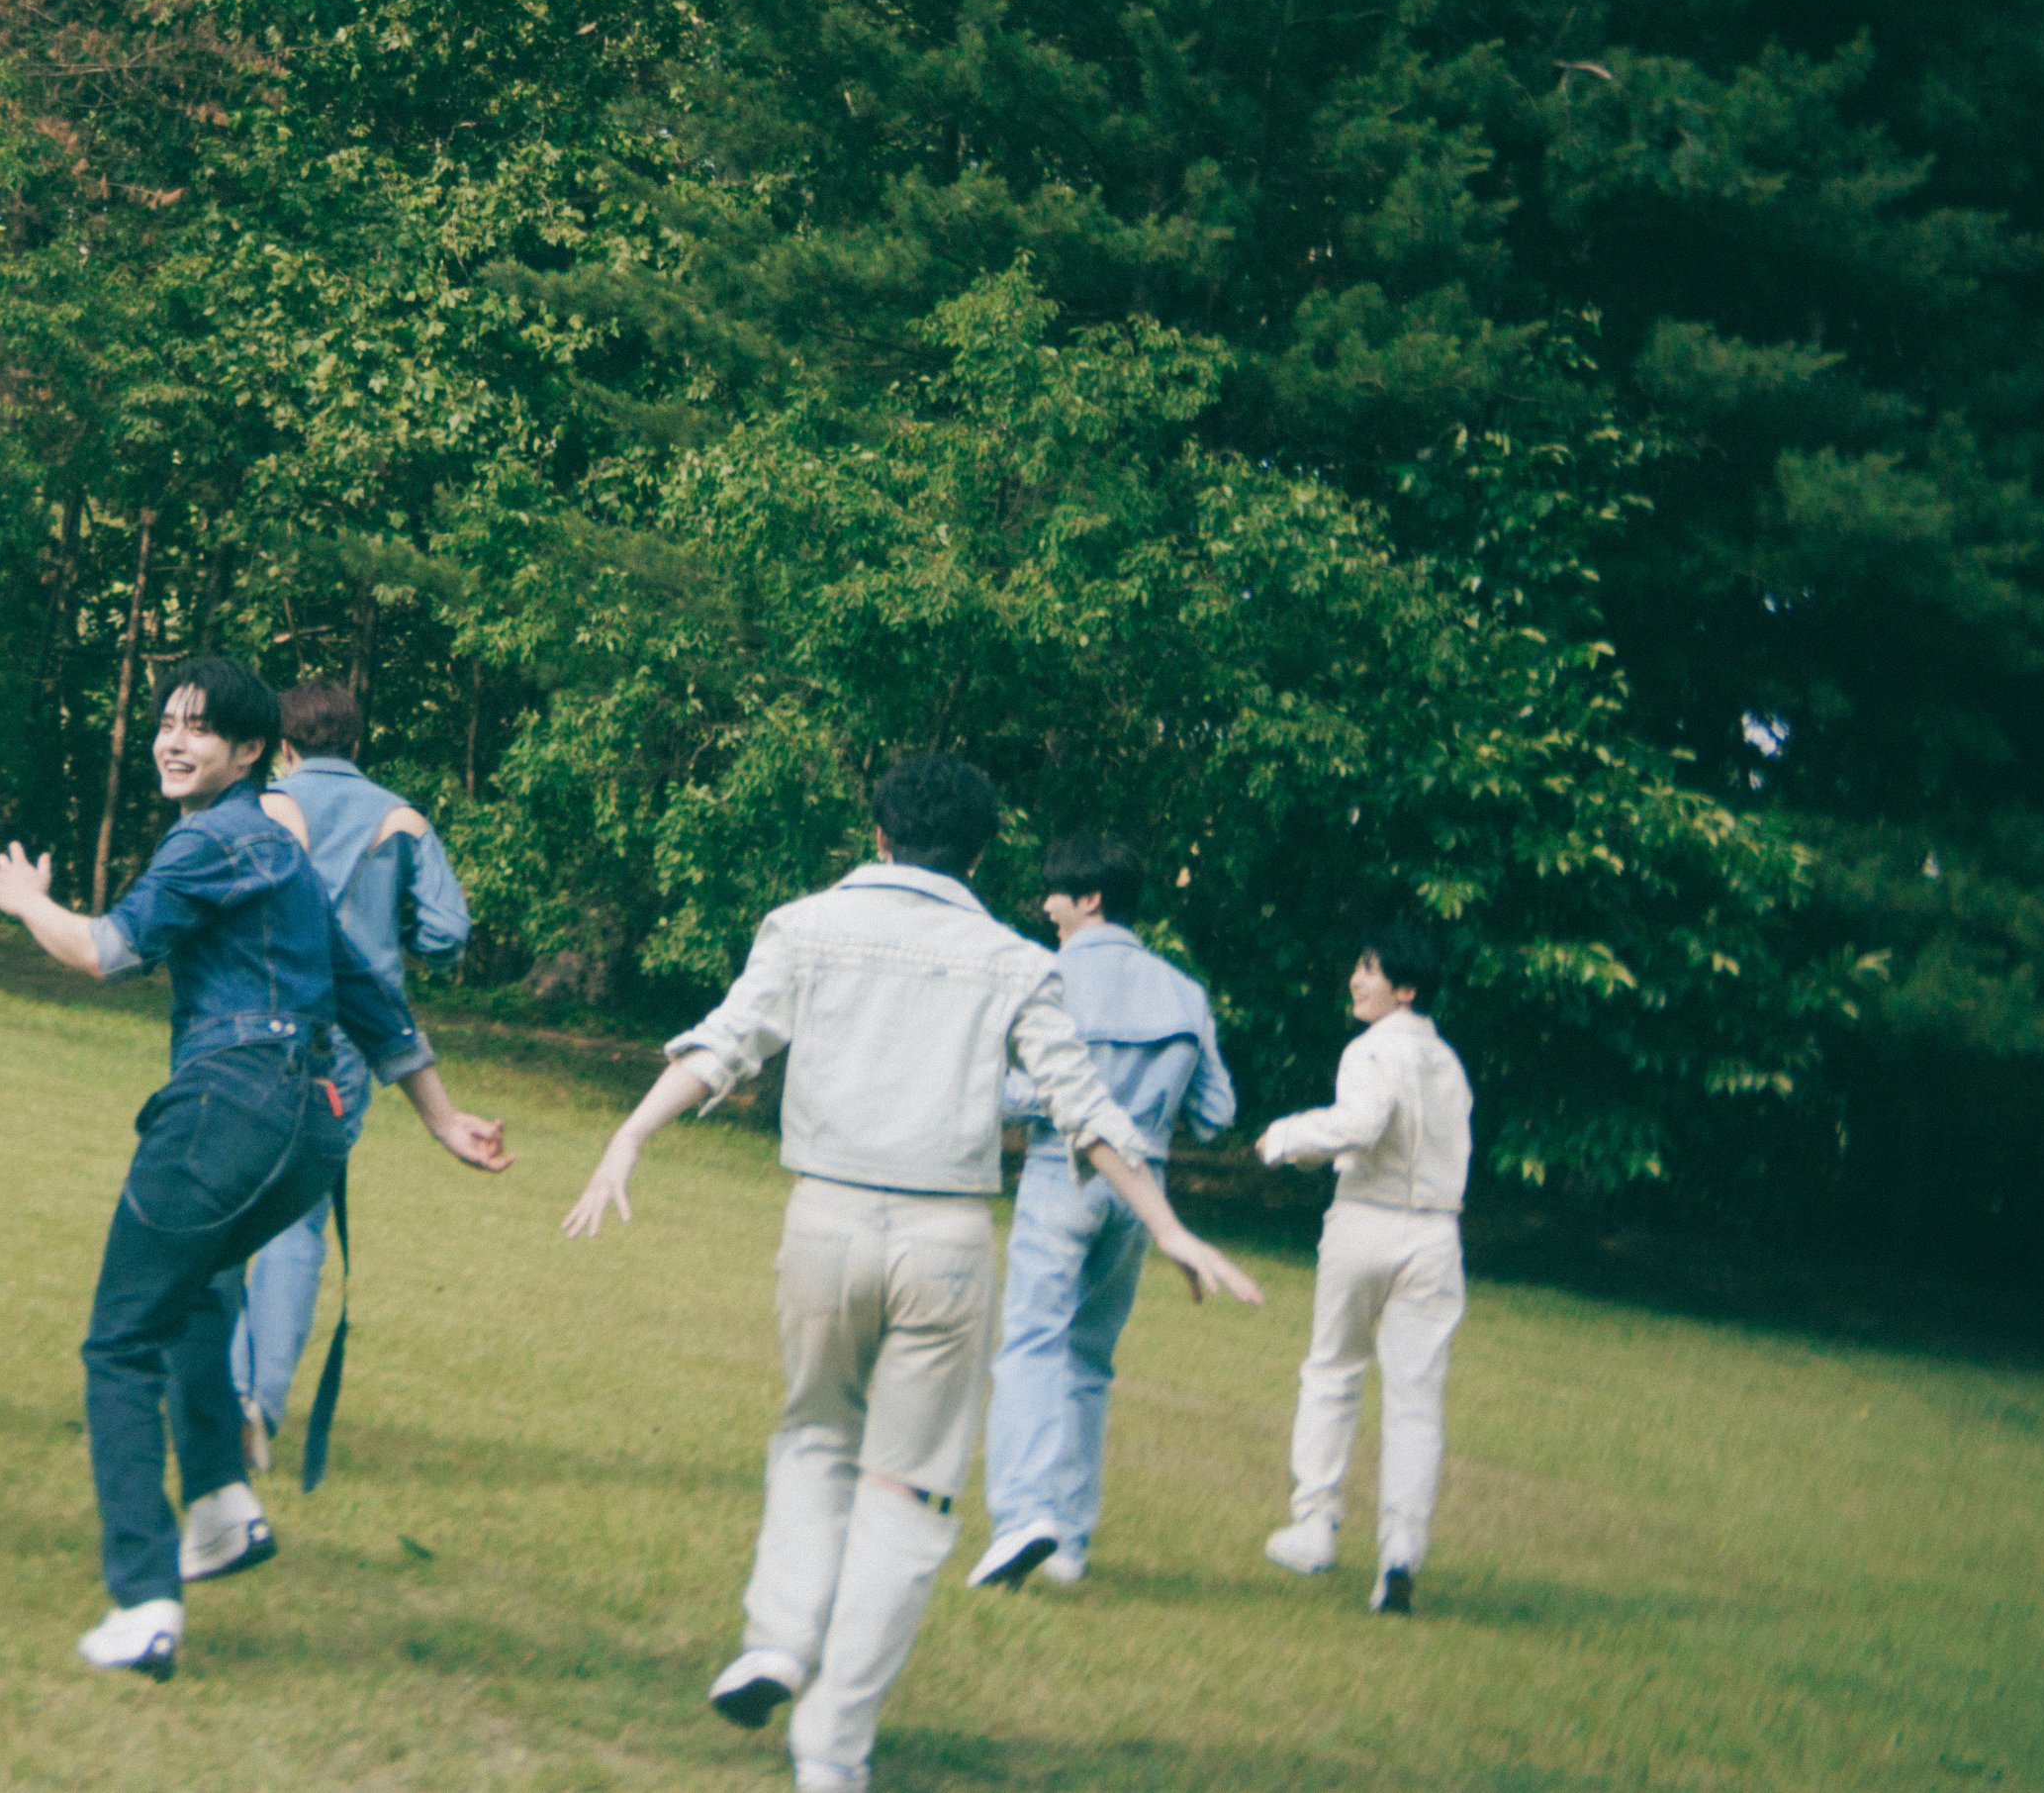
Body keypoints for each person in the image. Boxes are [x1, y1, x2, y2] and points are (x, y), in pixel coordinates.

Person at [563, 753, 1263, 1793]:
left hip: (824, 1222)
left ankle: (774, 1640)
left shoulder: (804, 923)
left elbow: (725, 1044)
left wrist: (627, 1137)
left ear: (879, 833)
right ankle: (833, 1747)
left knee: (813, 1436)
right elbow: (1083, 1106)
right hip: (944, 1243)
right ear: (978, 853)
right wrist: (1163, 1224)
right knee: (908, 1486)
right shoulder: (1014, 958)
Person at [0, 656, 511, 1681]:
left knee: (117, 1342)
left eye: (200, 729)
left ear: (251, 750)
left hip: (228, 1106)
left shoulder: (210, 840)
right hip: (310, 1128)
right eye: (166, 723)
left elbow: (106, 951)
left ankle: (142, 1602)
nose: (174, 742)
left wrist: (24, 903)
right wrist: (441, 1120)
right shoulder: (272, 844)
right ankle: (222, 1504)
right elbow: (367, 991)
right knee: (192, 1297)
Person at [967, 831, 1236, 1593]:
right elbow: (1217, 1111)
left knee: (1029, 1344)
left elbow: (1009, 1090)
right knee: (1088, 1360)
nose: (1046, 904)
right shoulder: (1184, 991)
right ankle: (1072, 1543)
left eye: (1055, 890)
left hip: (1063, 1167)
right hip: (1144, 1183)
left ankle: (1022, 1516)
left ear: (1089, 898)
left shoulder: (1044, 974)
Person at [228, 678, 470, 1466]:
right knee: (299, 1221)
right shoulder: (400, 815)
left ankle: (221, 1388)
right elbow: (447, 928)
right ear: (356, 744)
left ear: (284, 744)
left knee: (231, 1203)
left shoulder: (263, 803)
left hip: (261, 1020)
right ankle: (260, 1404)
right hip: (356, 1039)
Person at [1255, 920, 1476, 1615]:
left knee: (1332, 1371)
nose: (1357, 978)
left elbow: (1361, 1123)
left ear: (1405, 989)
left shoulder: (1371, 1049)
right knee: (1415, 1400)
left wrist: (1284, 1138)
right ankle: (1400, 1553)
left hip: (1366, 1220)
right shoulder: (1449, 1065)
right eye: (1360, 965)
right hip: (1436, 1237)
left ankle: (1315, 1523)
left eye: (1373, 970)